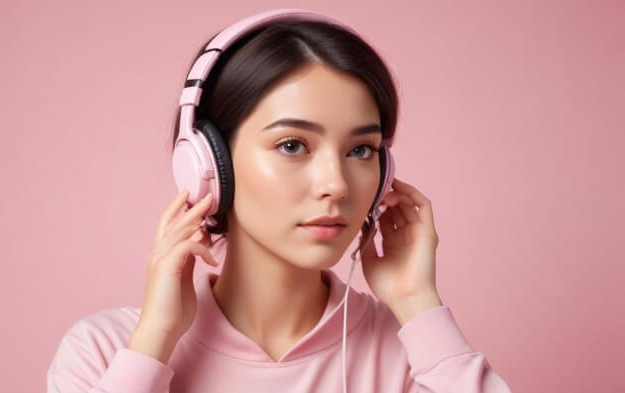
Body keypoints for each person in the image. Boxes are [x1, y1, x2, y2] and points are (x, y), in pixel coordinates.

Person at [47, 9, 514, 393]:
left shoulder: (416, 355)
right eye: (292, 145)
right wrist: (155, 341)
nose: (336, 184)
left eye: (360, 150)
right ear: (208, 163)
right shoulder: (106, 350)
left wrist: (418, 305)